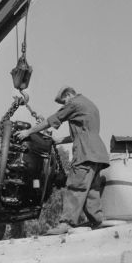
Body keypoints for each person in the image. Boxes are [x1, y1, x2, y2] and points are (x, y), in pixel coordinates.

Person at [16, 86, 110, 235]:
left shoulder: (74, 103)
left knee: (75, 187)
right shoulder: (90, 105)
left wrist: (28, 131)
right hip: (98, 154)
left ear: (68, 95)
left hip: (84, 152)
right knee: (92, 190)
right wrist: (59, 140)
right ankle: (97, 220)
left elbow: (52, 120)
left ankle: (66, 223)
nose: (64, 105)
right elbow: (83, 132)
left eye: (64, 101)